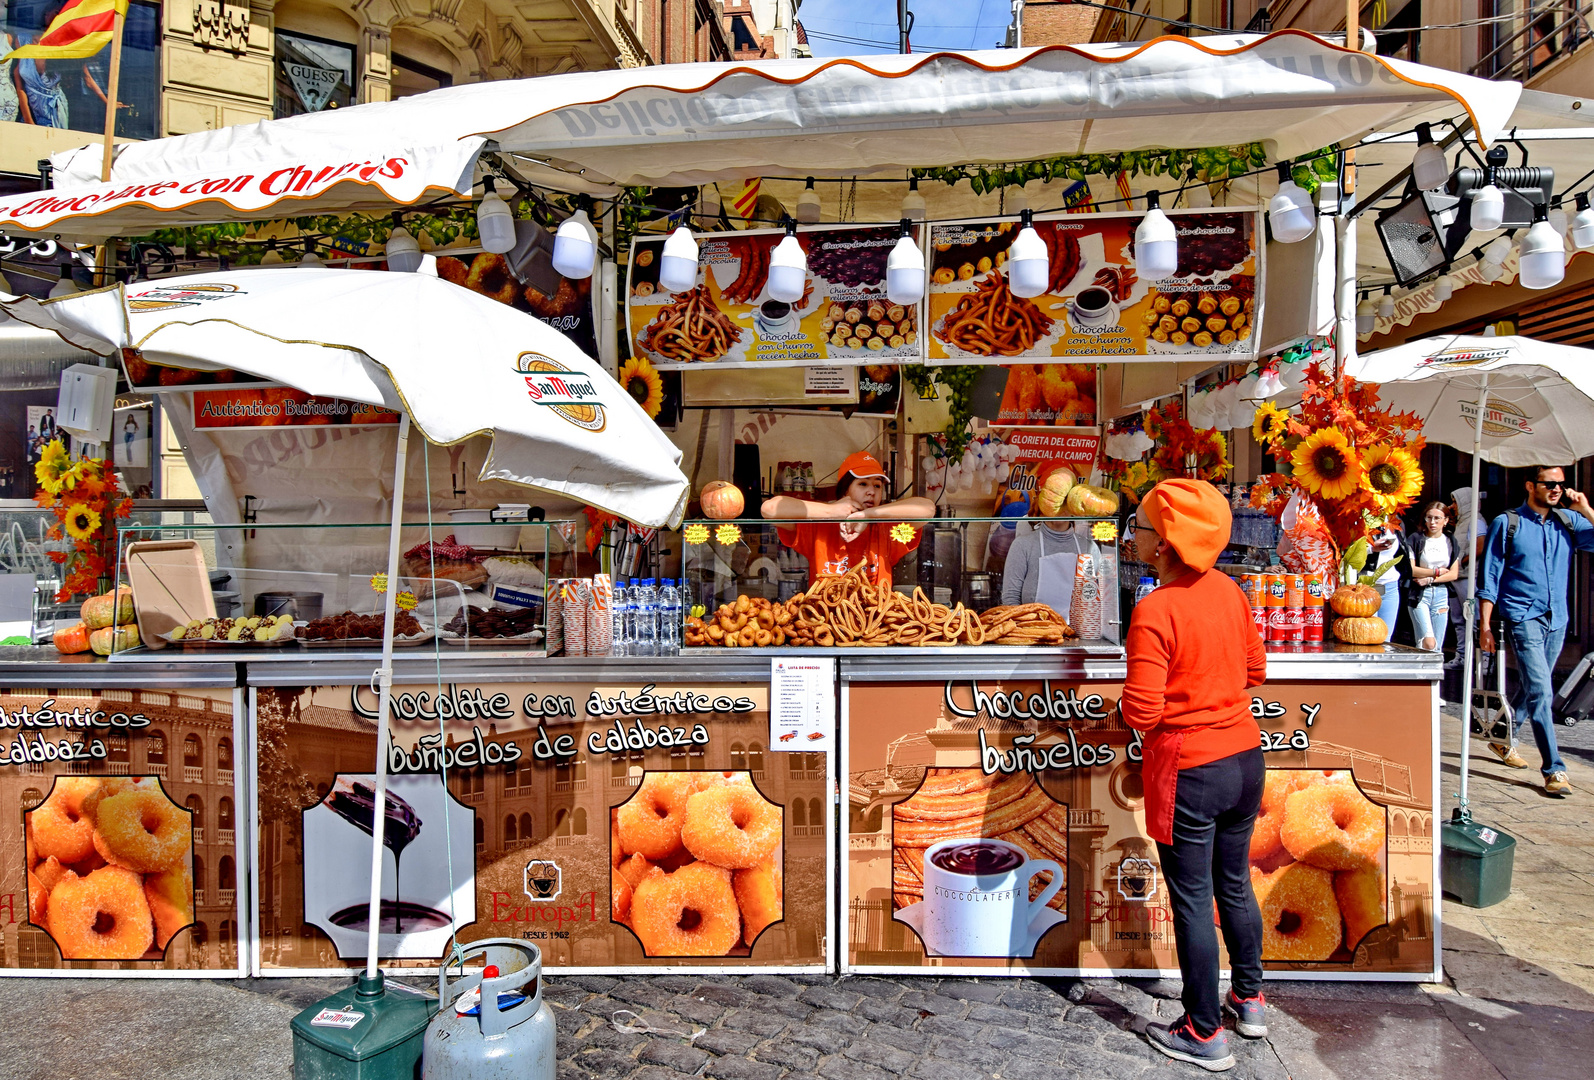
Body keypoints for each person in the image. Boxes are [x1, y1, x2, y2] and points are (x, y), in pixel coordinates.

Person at [1122, 479, 1267, 1071]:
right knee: (1233, 884)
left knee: (1192, 899)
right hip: (1245, 761)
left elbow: (1142, 711)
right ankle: (1249, 1001)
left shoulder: (1155, 608)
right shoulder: (1230, 591)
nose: (1132, 535)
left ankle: (1203, 1031)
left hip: (1193, 770)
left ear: (1164, 544)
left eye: (1140, 526)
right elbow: (1256, 670)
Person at [1477, 465, 1594, 797]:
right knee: (1542, 691)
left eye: (1561, 484)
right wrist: (1485, 625)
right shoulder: (1507, 523)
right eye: (1549, 484)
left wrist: (1584, 507)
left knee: (1532, 684)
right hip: (1522, 616)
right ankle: (1554, 769)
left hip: (1558, 618)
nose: (1556, 489)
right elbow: (1490, 577)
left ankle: (1503, 739)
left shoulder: (1568, 522)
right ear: (1531, 485)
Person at [760, 451, 934, 588]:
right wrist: (830, 510)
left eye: (877, 485)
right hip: (827, 623)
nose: (871, 492)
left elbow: (927, 509)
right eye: (863, 484)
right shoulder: (819, 526)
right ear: (845, 490)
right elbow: (769, 509)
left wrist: (868, 515)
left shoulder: (885, 528)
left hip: (874, 626)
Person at [999, 518, 1102, 609]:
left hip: (1080, 630)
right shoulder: (1022, 545)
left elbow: (1102, 598)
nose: (1059, 509)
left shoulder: (1090, 548)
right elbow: (1010, 599)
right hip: (1035, 629)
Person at [1403, 501, 1459, 653]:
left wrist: (1429, 578)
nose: (1432, 522)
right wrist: (1437, 571)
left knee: (1436, 647)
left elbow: (1453, 573)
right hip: (1420, 595)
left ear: (1446, 521)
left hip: (1441, 593)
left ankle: (1432, 677)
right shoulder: (1415, 539)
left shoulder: (1450, 541)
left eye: (1437, 518)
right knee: (1427, 642)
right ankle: (1419, 675)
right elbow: (1412, 570)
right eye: (1429, 518)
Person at [1368, 522, 1403, 642]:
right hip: (1368, 586)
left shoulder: (1392, 521)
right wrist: (1371, 548)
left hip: (1390, 585)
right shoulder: (1359, 519)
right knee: (1371, 637)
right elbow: (1347, 550)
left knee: (1386, 638)